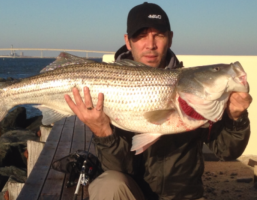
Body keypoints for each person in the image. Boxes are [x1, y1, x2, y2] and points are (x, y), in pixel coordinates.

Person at [64, 2, 252, 200]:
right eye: (141, 36)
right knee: (108, 185)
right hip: (132, 193)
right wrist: (103, 133)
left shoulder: (197, 94)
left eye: (159, 35)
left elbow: (227, 152)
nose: (150, 44)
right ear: (128, 41)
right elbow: (116, 168)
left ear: (170, 38)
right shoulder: (108, 84)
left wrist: (235, 118)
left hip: (184, 196)